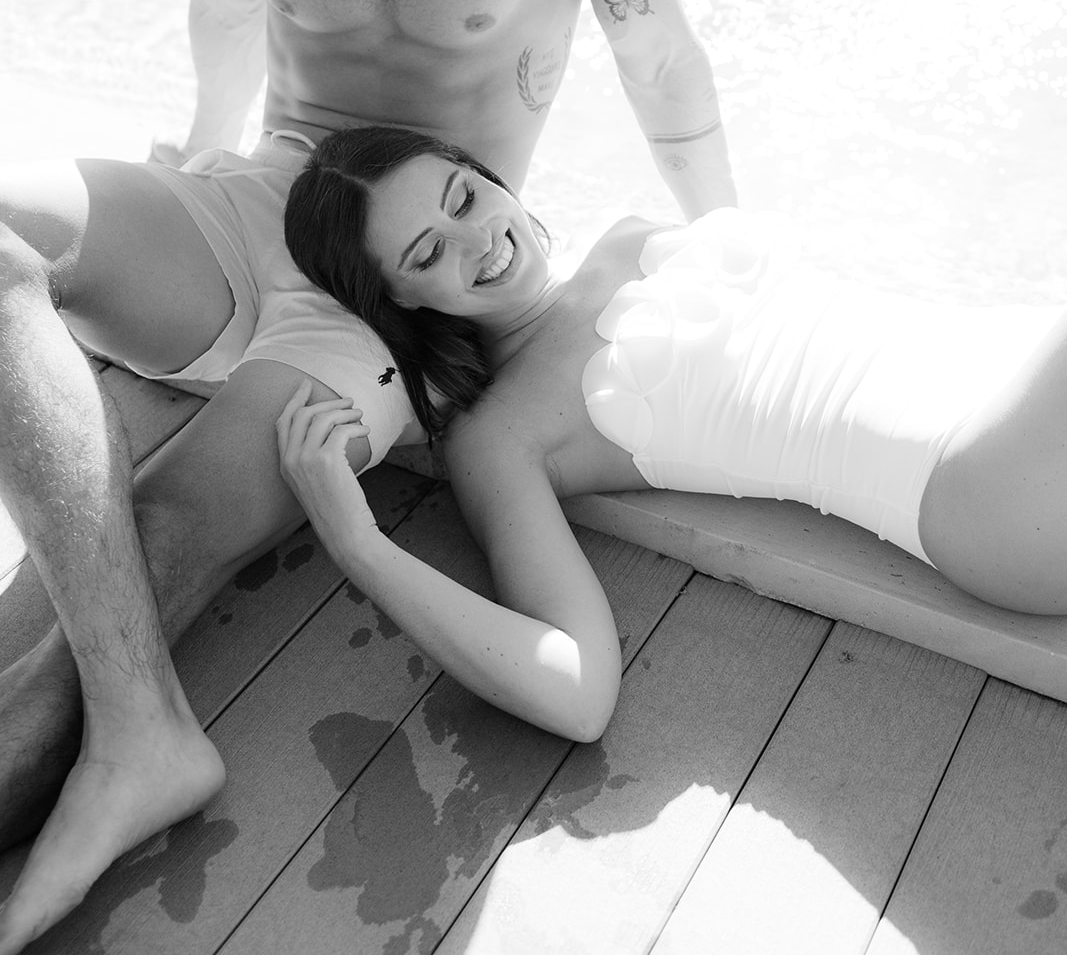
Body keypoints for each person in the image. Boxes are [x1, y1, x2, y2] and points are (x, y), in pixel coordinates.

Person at [0, 0, 735, 953]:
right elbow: (226, 6)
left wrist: (730, 247)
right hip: (258, 196)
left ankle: (125, 739)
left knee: (161, 541)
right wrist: (193, 146)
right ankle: (144, 728)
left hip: (397, 290)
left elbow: (659, 58)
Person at [275, 124, 1067, 740]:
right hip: (980, 487)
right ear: (399, 299)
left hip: (1013, 371)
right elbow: (578, 692)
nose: (478, 240)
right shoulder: (500, 437)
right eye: (429, 253)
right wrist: (358, 543)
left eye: (464, 199)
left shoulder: (624, 235)